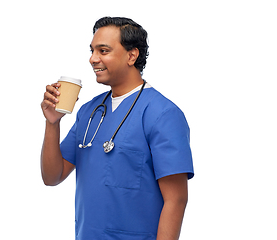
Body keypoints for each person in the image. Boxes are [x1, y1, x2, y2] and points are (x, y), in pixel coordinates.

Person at [41, 16, 194, 240]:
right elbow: (52, 176)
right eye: (92, 50)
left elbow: (176, 200)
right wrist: (52, 123)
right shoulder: (89, 112)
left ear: (132, 56)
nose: (93, 59)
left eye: (103, 51)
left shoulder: (163, 114)